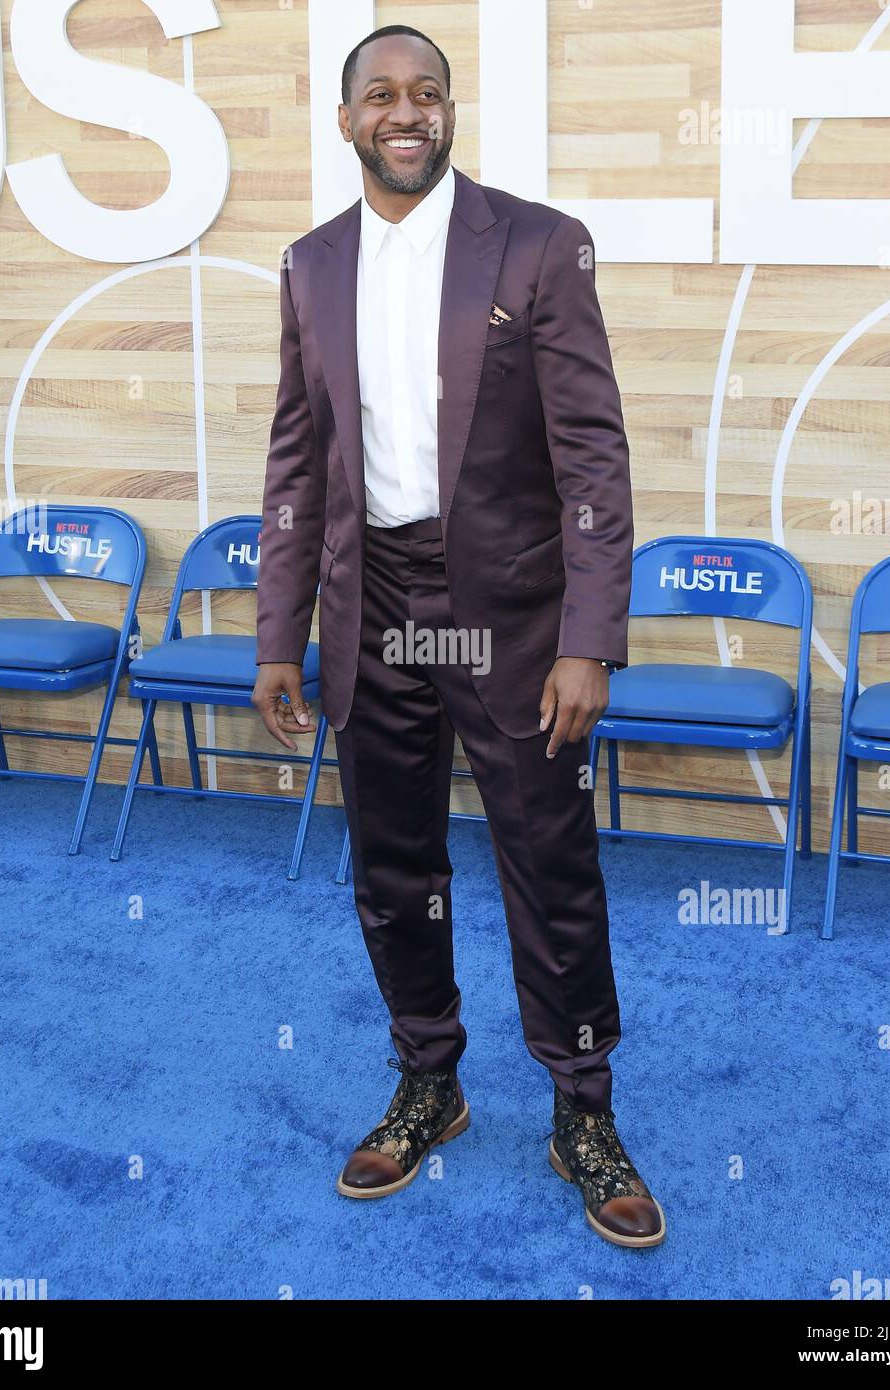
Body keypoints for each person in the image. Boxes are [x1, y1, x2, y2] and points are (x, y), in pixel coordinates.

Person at [252, 23, 664, 1247]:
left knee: (547, 865)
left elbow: (591, 450)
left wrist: (588, 633)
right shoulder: (308, 264)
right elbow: (295, 455)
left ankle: (581, 1108)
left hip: (510, 621)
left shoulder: (536, 246)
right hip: (368, 604)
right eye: (379, 94)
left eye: (425, 92)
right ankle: (428, 1081)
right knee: (393, 868)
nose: (405, 111)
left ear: (447, 113)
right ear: (345, 122)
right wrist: (280, 628)